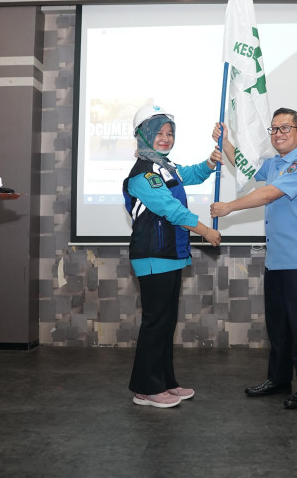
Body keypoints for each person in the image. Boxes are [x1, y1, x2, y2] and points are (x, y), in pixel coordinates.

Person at [210, 108, 297, 410]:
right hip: (278, 258)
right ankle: (279, 379)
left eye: (285, 128)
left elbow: (267, 194)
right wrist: (225, 142)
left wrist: (229, 207)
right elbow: (246, 169)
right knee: (279, 325)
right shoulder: (274, 163)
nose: (278, 134)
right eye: (274, 129)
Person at [123, 104, 222, 409]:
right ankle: (146, 388)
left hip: (171, 255)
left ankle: (165, 382)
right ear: (143, 135)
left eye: (169, 133)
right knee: (156, 322)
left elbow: (188, 175)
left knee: (166, 323)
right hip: (153, 256)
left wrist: (209, 163)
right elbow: (172, 209)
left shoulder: (164, 167)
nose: (165, 138)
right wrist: (206, 230)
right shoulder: (143, 174)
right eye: (159, 133)